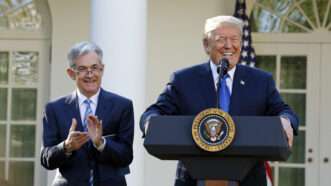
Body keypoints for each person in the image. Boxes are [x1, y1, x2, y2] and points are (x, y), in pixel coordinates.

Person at [140, 15, 298, 186]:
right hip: (194, 179)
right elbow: (155, 111)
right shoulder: (184, 79)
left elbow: (284, 111)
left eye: (234, 39)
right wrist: (150, 122)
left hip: (248, 179)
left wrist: (286, 120)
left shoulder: (261, 80)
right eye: (221, 39)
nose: (229, 45)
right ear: (206, 44)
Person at [41, 41, 134, 186]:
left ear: (102, 69)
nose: (90, 75)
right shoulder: (54, 109)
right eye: (83, 69)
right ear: (71, 73)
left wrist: (101, 143)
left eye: (95, 68)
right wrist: (66, 146)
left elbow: (126, 156)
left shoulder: (122, 106)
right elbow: (46, 159)